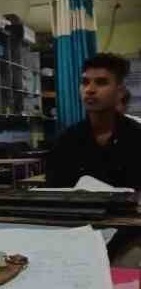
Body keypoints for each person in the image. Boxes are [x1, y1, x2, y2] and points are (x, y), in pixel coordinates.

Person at [46, 53, 141, 189]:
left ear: (120, 92)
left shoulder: (136, 137)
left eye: (101, 82)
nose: (89, 90)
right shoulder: (66, 141)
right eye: (85, 82)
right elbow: (55, 192)